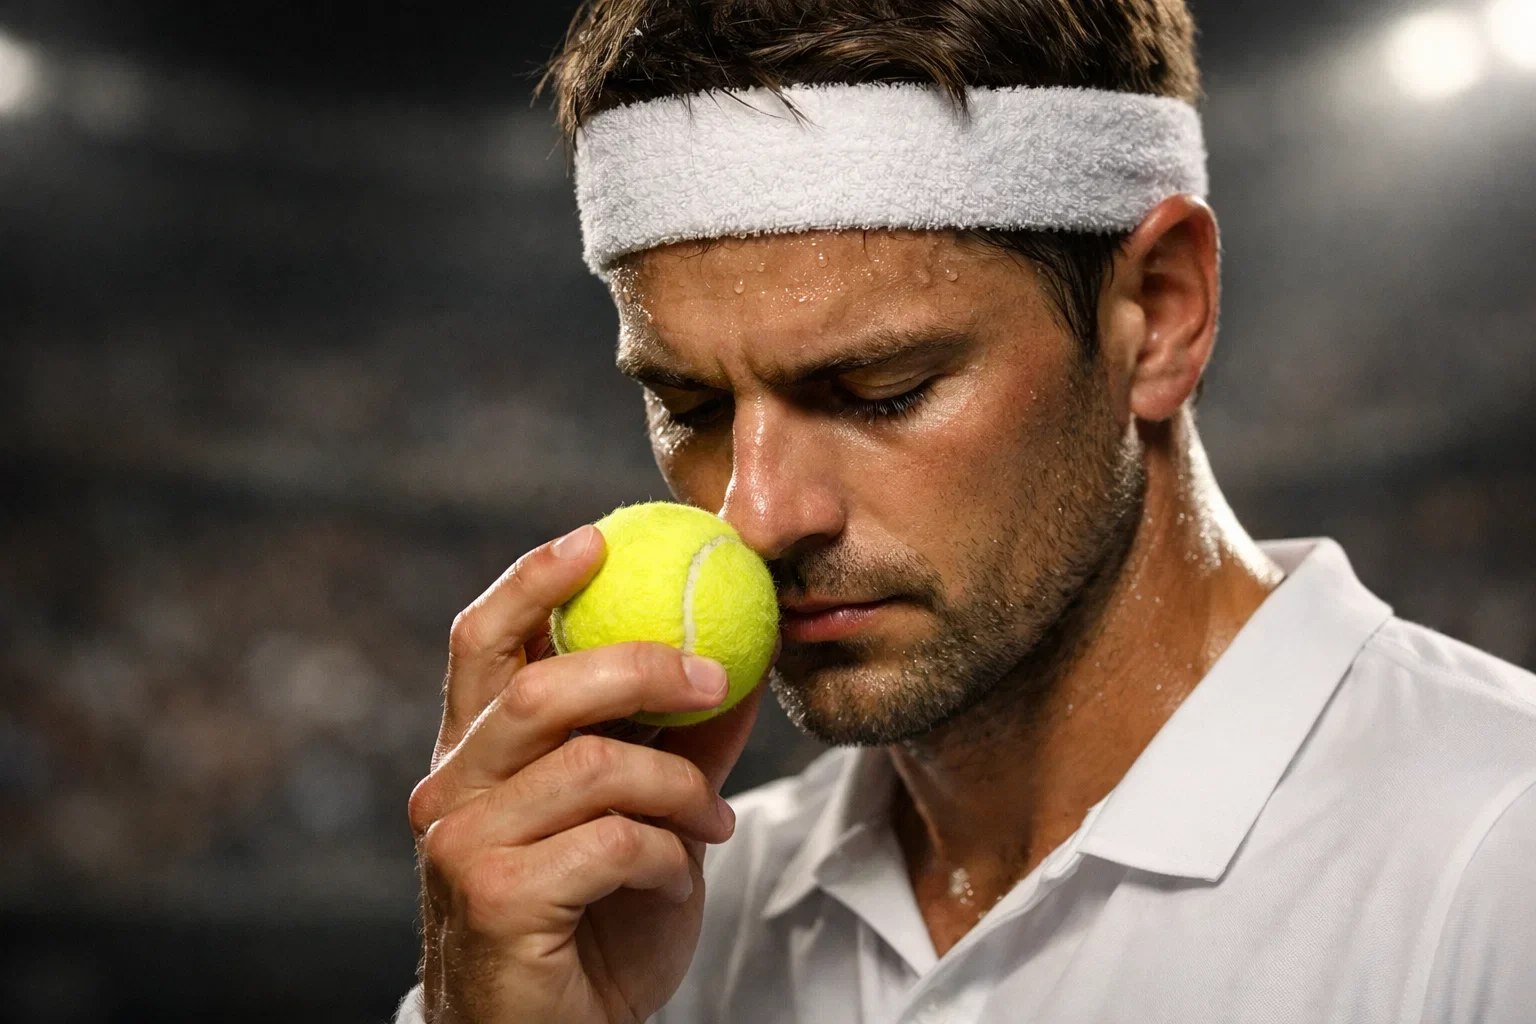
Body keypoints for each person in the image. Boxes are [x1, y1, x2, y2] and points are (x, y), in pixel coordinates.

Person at [395, 1, 1536, 1021]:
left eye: (880, 390)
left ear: (1161, 310)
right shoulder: (629, 941)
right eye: (688, 404)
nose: (756, 514)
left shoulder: (1499, 859)